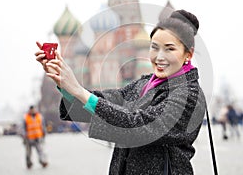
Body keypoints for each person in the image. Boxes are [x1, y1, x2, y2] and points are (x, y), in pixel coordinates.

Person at [35, 9, 207, 174]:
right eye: (154, 47)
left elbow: (138, 125)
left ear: (188, 54)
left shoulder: (190, 95)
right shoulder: (144, 84)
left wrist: (78, 90)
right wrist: (65, 85)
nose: (159, 57)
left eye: (169, 49)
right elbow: (107, 102)